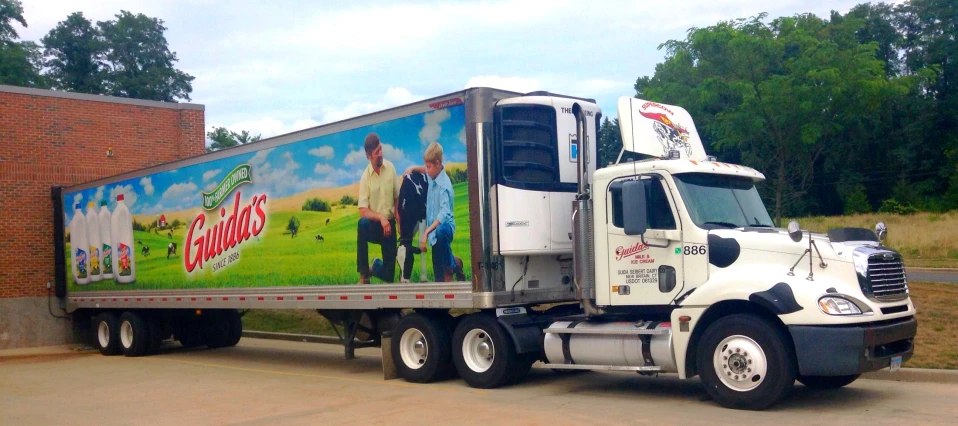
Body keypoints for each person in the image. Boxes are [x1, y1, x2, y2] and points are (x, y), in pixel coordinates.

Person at [407, 142, 464, 282]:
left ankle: (450, 267)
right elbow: (425, 170)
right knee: (438, 278)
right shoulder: (433, 174)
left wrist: (426, 232)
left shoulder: (444, 186)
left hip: (445, 230)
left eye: (429, 166)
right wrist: (413, 168)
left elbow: (444, 215)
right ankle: (456, 264)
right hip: (434, 234)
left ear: (438, 163)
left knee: (440, 231)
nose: (427, 170)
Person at [356, 133, 399, 284]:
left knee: (389, 277)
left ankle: (375, 266)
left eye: (381, 149)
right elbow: (363, 211)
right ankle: (364, 275)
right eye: (376, 152)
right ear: (369, 156)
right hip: (375, 226)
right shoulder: (365, 178)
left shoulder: (391, 168)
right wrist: (381, 218)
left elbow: (396, 198)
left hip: (390, 227)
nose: (380, 154)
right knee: (362, 224)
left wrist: (399, 223)